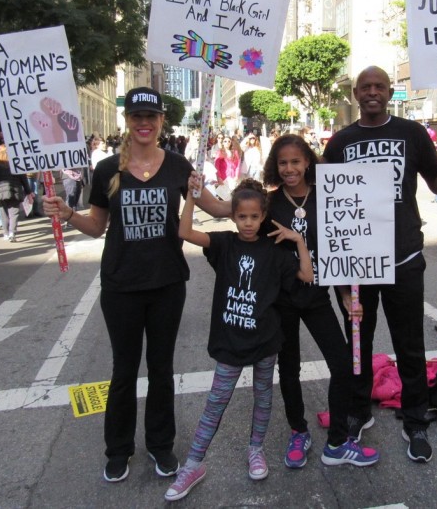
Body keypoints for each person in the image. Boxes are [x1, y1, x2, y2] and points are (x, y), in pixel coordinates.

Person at [42, 86, 230, 483]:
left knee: (161, 369)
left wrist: (263, 199)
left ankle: (161, 446)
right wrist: (67, 213)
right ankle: (118, 449)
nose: (144, 123)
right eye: (136, 116)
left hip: (166, 283)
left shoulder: (180, 166)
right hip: (121, 285)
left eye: (152, 116)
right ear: (126, 120)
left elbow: (217, 208)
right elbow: (96, 227)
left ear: (162, 121)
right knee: (124, 370)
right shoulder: (109, 168)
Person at [322, 65, 437, 463]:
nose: (372, 92)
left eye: (379, 87)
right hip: (358, 262)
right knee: (358, 343)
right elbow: (329, 204)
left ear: (389, 92)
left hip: (403, 256)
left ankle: (416, 419)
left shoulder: (412, 133)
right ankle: (357, 410)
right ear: (355, 93)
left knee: (410, 343)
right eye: (365, 87)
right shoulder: (339, 143)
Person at [165, 179, 313, 501]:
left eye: (254, 217)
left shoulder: (275, 251)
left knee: (263, 397)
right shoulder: (224, 245)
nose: (248, 223)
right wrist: (191, 197)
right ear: (233, 216)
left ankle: (255, 450)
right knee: (215, 402)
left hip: (265, 341)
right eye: (242, 216)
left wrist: (298, 241)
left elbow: (307, 276)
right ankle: (193, 464)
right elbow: (185, 233)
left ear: (263, 217)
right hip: (231, 341)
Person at [261, 134, 379, 470]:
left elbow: (341, 244)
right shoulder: (270, 203)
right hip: (281, 301)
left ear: (308, 163)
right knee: (289, 369)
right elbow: (239, 218)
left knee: (342, 364)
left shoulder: (329, 196)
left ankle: (338, 441)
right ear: (275, 165)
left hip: (316, 297)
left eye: (296, 162)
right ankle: (298, 431)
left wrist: (345, 294)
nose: (289, 169)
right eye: (283, 163)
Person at [0, 145, 32, 242]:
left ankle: (5, 233)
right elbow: (23, 179)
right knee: (14, 213)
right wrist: (28, 192)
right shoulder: (16, 163)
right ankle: (12, 233)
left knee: (3, 213)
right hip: (14, 190)